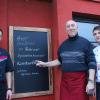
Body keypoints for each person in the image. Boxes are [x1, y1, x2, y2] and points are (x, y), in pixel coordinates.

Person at [36, 20, 96, 100]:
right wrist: (45, 64)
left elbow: (92, 62)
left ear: (77, 28)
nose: (70, 28)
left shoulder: (85, 43)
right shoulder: (63, 46)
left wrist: (91, 82)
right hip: (65, 81)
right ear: (66, 29)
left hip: (80, 81)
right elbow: (60, 61)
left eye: (72, 25)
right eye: (68, 26)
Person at [0, 29, 14, 100]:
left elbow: (8, 71)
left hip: (2, 88)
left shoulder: (5, 53)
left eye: (0, 36)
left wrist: (9, 89)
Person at [92, 25, 100, 100]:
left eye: (99, 33)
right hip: (98, 83)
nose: (97, 35)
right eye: (95, 34)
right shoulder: (94, 50)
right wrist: (93, 85)